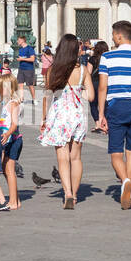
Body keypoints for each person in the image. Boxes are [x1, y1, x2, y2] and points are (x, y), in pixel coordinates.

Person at [96, 21, 131, 211]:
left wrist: (101, 113)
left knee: (116, 152)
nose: (112, 37)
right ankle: (129, 190)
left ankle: (125, 181)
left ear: (119, 36)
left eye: (113, 34)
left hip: (116, 106)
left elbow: (103, 87)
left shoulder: (107, 57)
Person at [39, 33, 93, 209]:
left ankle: (67, 193)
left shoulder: (54, 70)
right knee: (75, 158)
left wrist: (44, 119)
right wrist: (79, 91)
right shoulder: (83, 70)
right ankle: (75, 195)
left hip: (60, 115)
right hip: (78, 114)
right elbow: (91, 96)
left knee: (62, 159)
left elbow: (47, 96)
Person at [0, 72, 23, 210]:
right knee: (6, 170)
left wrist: (7, 134)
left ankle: (13, 201)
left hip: (13, 140)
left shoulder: (13, 104)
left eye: (1, 88)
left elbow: (14, 124)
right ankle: (15, 199)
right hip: (8, 139)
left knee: (9, 170)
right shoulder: (7, 103)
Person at [15, 34, 37, 116]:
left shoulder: (29, 48)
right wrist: (20, 59)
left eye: (18, 40)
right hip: (21, 68)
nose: (17, 41)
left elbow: (32, 59)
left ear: (22, 40)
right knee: (20, 84)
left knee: (30, 85)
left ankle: (34, 98)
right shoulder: (20, 49)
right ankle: (21, 99)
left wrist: (22, 59)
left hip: (29, 69)